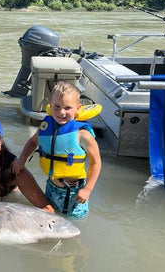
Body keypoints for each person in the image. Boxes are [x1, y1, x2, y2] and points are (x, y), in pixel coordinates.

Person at [13, 81, 101, 219]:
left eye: (68, 108)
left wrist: (87, 189)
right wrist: (21, 160)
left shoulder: (82, 134)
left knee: (73, 224)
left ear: (78, 108)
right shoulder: (45, 127)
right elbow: (32, 142)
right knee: (50, 219)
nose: (61, 112)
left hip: (74, 192)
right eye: (57, 107)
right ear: (50, 105)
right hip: (51, 187)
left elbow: (96, 163)